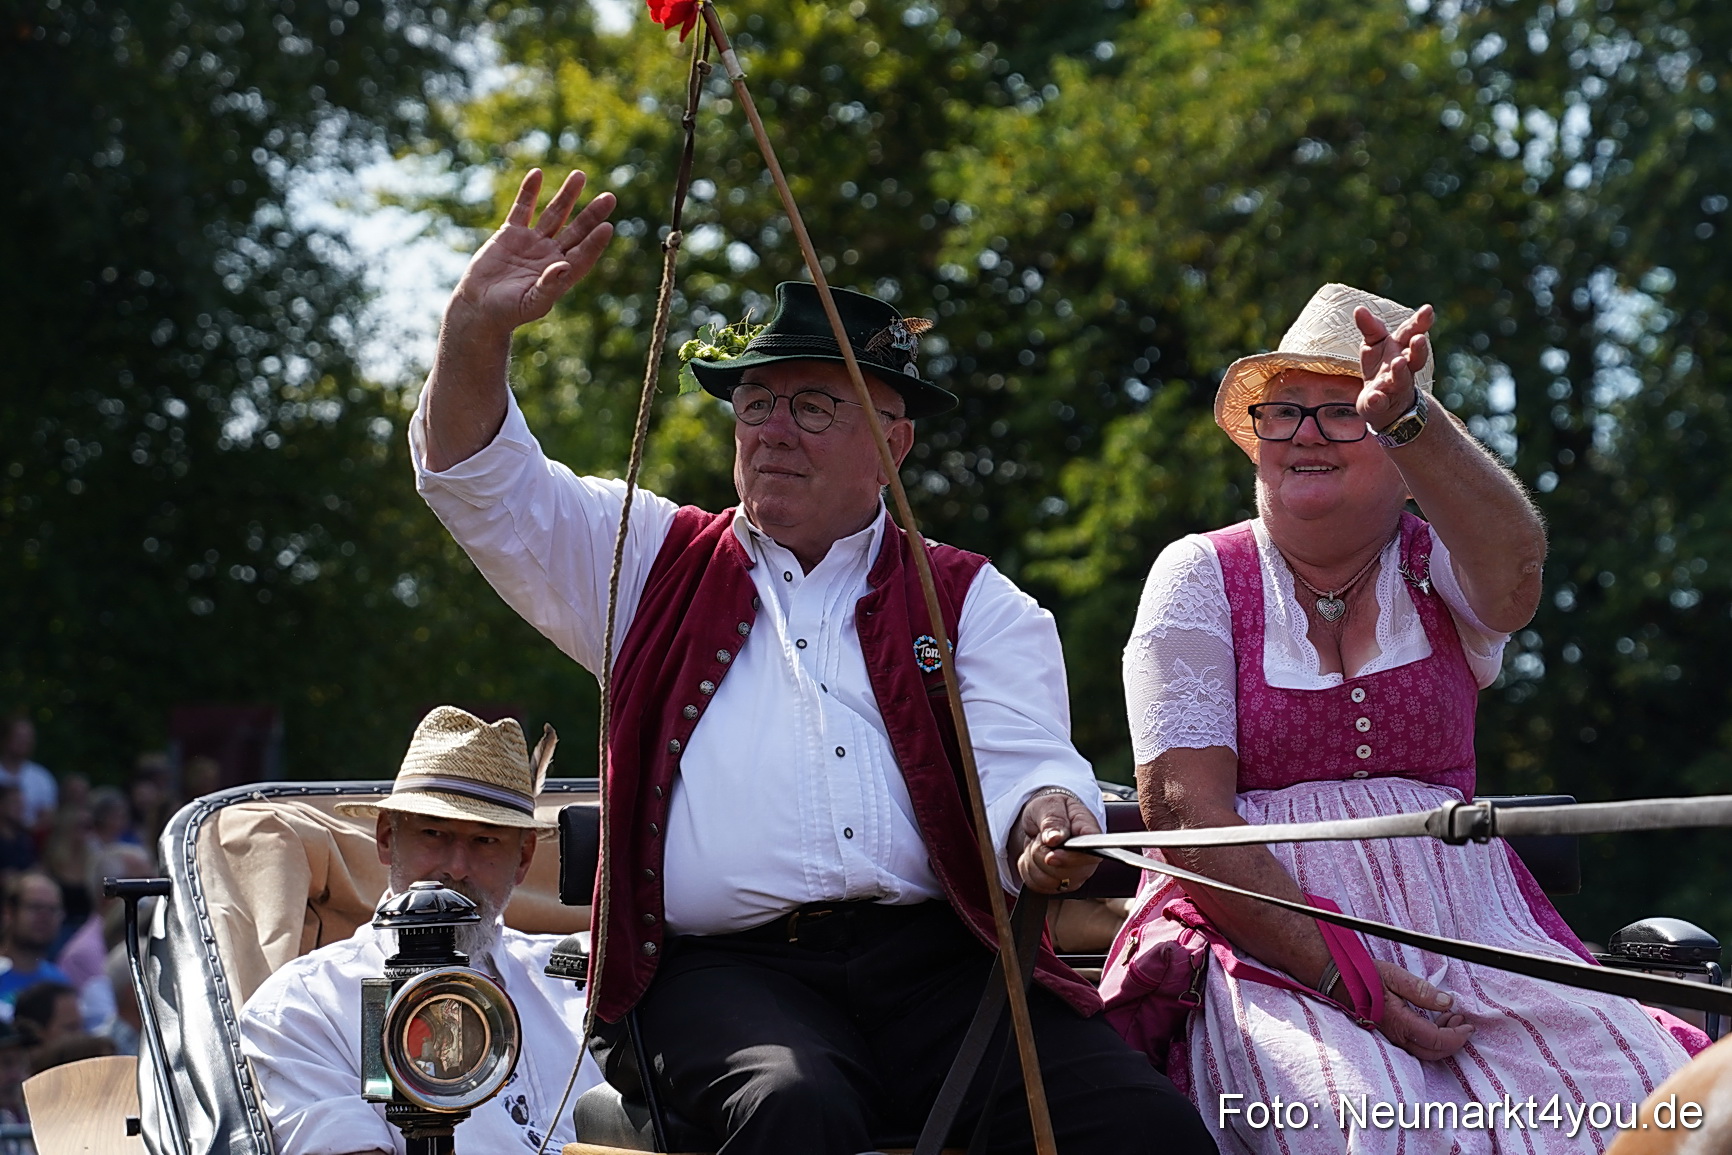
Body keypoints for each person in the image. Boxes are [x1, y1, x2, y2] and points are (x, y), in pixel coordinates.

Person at [411, 167, 1213, 1155]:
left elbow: (1024, 765)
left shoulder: (976, 600)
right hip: (717, 978)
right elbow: (477, 478)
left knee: (1148, 1129)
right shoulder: (645, 561)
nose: (773, 430)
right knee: (794, 1110)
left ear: (894, 441)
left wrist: (1049, 821)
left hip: (942, 973)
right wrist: (475, 329)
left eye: (814, 405)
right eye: (755, 404)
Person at [1116, 282, 1691, 1151]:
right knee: (1358, 1122)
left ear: (1402, 445)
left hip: (1478, 938)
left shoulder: (1442, 564)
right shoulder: (1199, 575)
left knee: (1643, 1098)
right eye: (1284, 411)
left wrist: (1412, 416)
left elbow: (1516, 572)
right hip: (1268, 946)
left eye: (1342, 410)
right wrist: (1345, 972)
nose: (1305, 433)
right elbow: (1187, 815)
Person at [238, 706, 602, 1155]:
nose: (456, 868)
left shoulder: (584, 984)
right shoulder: (302, 1007)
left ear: (523, 857)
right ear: (387, 838)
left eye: (485, 840)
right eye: (433, 833)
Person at [0, 873, 70, 1019]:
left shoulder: (59, 982)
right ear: (9, 913)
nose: (44, 917)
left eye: (52, 909)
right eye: (35, 907)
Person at [0, 717, 56, 837]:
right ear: (5, 738)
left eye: (28, 738)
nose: (24, 742)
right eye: (19, 737)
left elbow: (48, 817)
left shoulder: (42, 778)